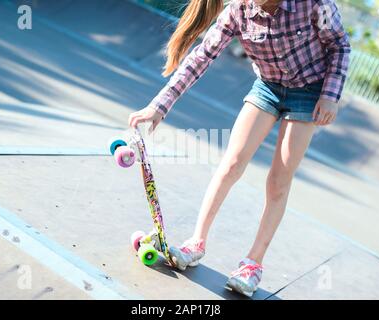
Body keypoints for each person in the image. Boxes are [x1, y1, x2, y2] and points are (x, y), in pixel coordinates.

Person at [128, 0, 350, 298]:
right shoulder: (238, 11)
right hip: (268, 87)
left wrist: (330, 95)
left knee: (278, 182)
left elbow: (339, 46)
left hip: (309, 92)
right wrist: (158, 108)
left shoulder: (313, 4)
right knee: (231, 163)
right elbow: (200, 59)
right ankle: (196, 242)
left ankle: (252, 264)